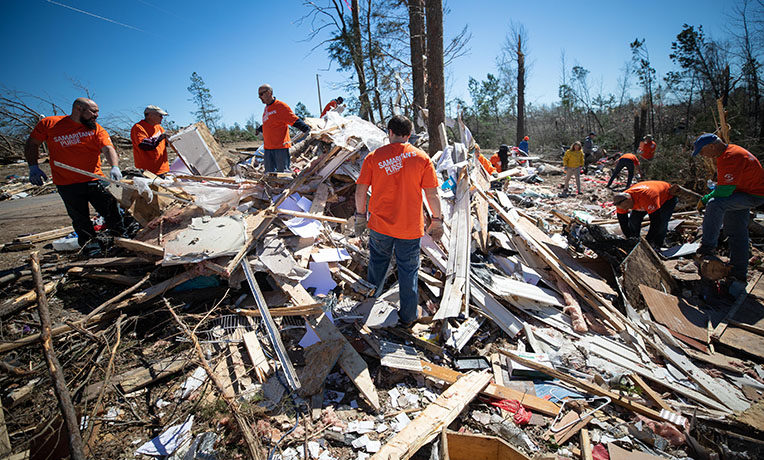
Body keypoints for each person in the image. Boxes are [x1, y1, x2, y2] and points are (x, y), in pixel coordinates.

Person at [354, 115, 443, 328]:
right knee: (408, 270)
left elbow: (360, 189)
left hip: (379, 226)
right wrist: (437, 220)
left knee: (377, 266)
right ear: (409, 134)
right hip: (410, 228)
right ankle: (409, 316)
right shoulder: (421, 158)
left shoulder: (374, 157)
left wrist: (359, 215)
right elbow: (432, 194)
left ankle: (369, 309)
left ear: (389, 132)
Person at [25, 97, 125, 247]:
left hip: (94, 179)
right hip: (67, 183)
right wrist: (33, 166)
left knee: (111, 211)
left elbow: (108, 148)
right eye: (93, 112)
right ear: (78, 109)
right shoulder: (50, 124)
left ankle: (120, 240)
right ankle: (89, 246)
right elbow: (32, 143)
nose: (96, 116)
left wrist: (114, 166)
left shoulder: (95, 128)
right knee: (80, 219)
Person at [693, 133, 764, 296]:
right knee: (736, 233)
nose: (703, 155)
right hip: (743, 192)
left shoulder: (730, 156)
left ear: (712, 145)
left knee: (715, 205)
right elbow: (726, 186)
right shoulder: (727, 154)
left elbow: (724, 191)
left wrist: (705, 199)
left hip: (753, 195)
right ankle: (738, 276)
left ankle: (707, 247)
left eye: (702, 151)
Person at [255, 84, 311, 173]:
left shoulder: (280, 106)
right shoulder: (266, 109)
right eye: (259, 95)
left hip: (280, 147)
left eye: (261, 94)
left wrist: (307, 129)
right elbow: (270, 123)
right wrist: (259, 129)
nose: (259, 97)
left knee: (283, 174)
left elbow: (293, 119)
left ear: (269, 93)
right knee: (269, 175)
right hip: (268, 148)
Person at [612, 181, 678, 249]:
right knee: (634, 220)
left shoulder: (647, 197)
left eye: (626, 206)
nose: (626, 209)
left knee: (662, 223)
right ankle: (635, 239)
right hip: (642, 201)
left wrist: (647, 241)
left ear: (630, 199)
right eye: (624, 208)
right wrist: (629, 237)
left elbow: (655, 222)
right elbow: (623, 222)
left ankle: (657, 243)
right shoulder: (621, 202)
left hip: (667, 198)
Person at [131, 105, 170, 175]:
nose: (162, 118)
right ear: (150, 116)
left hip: (163, 169)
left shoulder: (160, 128)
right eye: (160, 116)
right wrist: (161, 137)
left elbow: (165, 144)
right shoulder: (138, 128)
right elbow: (145, 145)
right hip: (147, 171)